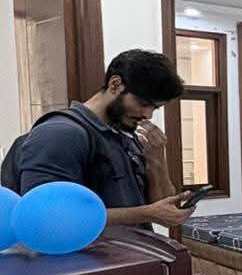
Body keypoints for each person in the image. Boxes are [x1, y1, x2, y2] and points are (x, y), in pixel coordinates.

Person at [14, 49, 190, 229]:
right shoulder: (60, 133)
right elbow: (46, 215)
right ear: (115, 84)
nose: (148, 115)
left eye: (155, 108)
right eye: (143, 104)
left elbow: (163, 209)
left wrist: (157, 160)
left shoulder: (127, 136)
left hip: (134, 247)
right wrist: (145, 214)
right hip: (89, 249)